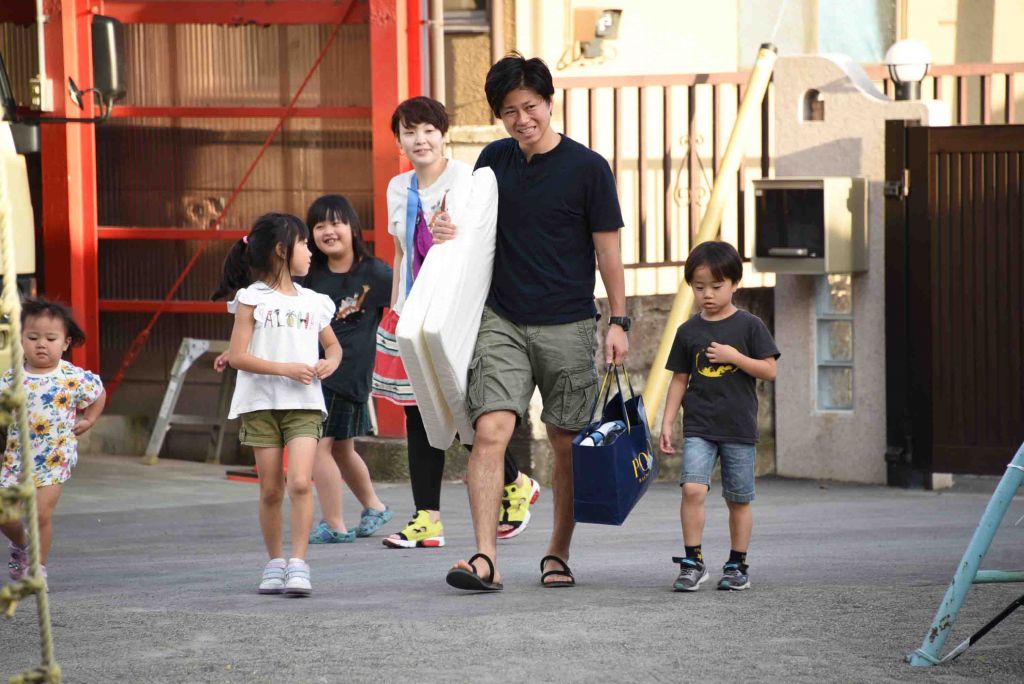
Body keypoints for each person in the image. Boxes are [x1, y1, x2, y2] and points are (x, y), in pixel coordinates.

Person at [439, 55, 629, 592]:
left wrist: (620, 321)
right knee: (489, 432)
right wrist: (444, 224)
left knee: (565, 442)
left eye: (530, 107)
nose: (522, 120)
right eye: (509, 111)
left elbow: (608, 254)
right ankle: (485, 558)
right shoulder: (493, 160)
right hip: (501, 318)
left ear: (548, 102)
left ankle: (557, 553)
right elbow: (469, 228)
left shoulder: (588, 168)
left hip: (568, 323)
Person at [375, 95, 539, 550]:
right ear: (399, 140)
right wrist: (394, 309)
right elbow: (401, 252)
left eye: (429, 130)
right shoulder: (397, 188)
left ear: (443, 134)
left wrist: (457, 232)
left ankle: (514, 481)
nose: (420, 140)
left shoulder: (468, 178)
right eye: (410, 132)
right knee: (417, 411)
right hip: (411, 313)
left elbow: (485, 242)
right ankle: (426, 517)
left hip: (457, 314)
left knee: (459, 405)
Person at [214, 212, 341, 597]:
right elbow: (238, 356)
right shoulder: (250, 299)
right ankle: (275, 562)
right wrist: (285, 369)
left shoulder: (314, 302)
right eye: (304, 244)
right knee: (270, 489)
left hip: (304, 405)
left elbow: (333, 346)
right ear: (282, 251)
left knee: (300, 482)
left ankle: (299, 563)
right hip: (260, 405)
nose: (311, 252)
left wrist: (329, 362)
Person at [659, 241, 779, 592]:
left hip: (738, 427)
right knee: (692, 489)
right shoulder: (688, 331)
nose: (707, 294)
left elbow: (769, 370)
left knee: (738, 499)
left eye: (716, 286)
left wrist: (734, 356)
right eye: (699, 287)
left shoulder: (750, 326)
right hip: (699, 426)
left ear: (735, 283)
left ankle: (737, 564)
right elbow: (679, 378)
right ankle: (693, 562)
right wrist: (667, 421)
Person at [303, 195, 393, 543]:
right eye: (319, 225)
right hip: (316, 371)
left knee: (318, 446)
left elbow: (410, 300)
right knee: (341, 447)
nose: (328, 231)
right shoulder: (309, 274)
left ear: (353, 228)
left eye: (336, 223)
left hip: (345, 373)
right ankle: (374, 506)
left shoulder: (376, 273)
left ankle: (334, 524)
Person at [1, 297, 105, 584]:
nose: (41, 344)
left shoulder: (71, 377)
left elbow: (98, 393)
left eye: (50, 338)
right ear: (21, 339)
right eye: (33, 337)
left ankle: (38, 568)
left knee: (40, 514)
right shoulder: (11, 379)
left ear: (66, 342)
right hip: (16, 458)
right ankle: (22, 545)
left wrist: (90, 419)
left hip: (54, 458)